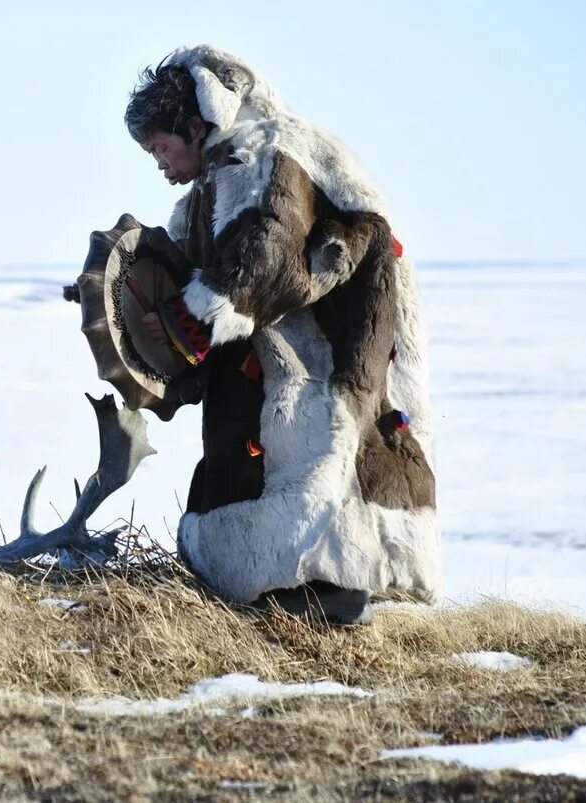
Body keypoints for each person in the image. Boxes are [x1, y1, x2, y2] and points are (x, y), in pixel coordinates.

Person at [124, 45, 439, 624]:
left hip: (327, 351)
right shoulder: (212, 184)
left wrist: (184, 321)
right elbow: (196, 271)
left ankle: (327, 594)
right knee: (269, 460)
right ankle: (287, 591)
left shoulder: (265, 152)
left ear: (197, 127)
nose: (159, 164)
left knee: (320, 457)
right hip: (276, 359)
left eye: (161, 148)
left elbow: (266, 253)